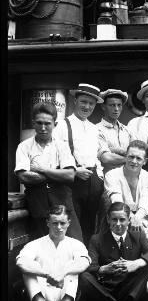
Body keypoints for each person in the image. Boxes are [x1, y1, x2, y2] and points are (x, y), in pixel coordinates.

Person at [79, 202, 148, 301]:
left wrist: (135, 264)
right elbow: (91, 267)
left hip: (128, 291)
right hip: (105, 291)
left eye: (122, 219)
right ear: (107, 219)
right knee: (84, 277)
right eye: (114, 219)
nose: (118, 224)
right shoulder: (97, 239)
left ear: (129, 220)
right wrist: (103, 269)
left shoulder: (137, 235)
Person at [16, 205, 90, 301]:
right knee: (28, 271)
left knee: (73, 267)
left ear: (69, 223)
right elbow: (21, 262)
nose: (59, 227)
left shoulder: (75, 244)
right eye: (55, 223)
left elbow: (84, 262)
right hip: (41, 296)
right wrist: (45, 274)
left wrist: (64, 272)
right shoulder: (35, 244)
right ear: (47, 223)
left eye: (62, 223)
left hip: (67, 295)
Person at [15, 102, 82, 241]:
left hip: (63, 202)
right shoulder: (24, 147)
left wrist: (41, 169)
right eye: (39, 123)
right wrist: (57, 173)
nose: (43, 128)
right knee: (43, 248)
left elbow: (70, 175)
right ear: (33, 123)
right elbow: (23, 177)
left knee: (75, 244)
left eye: (47, 123)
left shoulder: (61, 146)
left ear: (54, 124)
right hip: (38, 205)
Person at [53, 83, 105, 245]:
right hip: (73, 181)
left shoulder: (94, 129)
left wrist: (99, 177)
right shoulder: (62, 125)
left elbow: (97, 156)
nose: (87, 106)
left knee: (90, 223)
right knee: (73, 225)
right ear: (75, 101)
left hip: (93, 181)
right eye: (83, 101)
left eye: (91, 103)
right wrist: (75, 171)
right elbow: (55, 155)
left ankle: (87, 263)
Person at [104, 140, 148, 232]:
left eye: (138, 158)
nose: (134, 161)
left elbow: (146, 201)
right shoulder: (111, 175)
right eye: (131, 157)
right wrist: (131, 219)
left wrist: (136, 219)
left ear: (145, 161)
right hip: (118, 218)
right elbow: (117, 200)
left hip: (142, 218)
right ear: (125, 157)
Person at [97, 88, 134, 174]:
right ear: (103, 106)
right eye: (112, 105)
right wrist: (129, 159)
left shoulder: (127, 130)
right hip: (108, 179)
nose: (116, 109)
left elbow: (137, 152)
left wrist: (114, 150)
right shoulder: (97, 130)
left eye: (119, 105)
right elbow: (106, 158)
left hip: (129, 177)